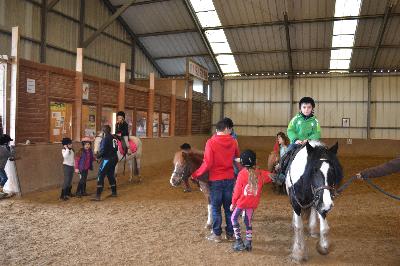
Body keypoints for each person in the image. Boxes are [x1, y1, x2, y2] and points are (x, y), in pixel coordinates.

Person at [192, 119, 240, 242]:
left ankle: (217, 234)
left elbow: (207, 163)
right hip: (229, 178)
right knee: (229, 207)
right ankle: (230, 234)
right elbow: (237, 159)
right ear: (226, 129)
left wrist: (196, 173)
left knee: (216, 208)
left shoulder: (211, 142)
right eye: (231, 129)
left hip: (216, 181)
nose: (231, 131)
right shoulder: (234, 142)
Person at [230, 150, 272, 252]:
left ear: (243, 163)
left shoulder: (241, 174)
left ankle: (239, 241)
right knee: (248, 221)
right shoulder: (261, 173)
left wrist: (233, 203)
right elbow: (271, 176)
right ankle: (248, 243)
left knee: (233, 218)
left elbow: (237, 192)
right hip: (252, 203)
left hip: (241, 203)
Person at [93, 125, 118, 201]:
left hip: (107, 159)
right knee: (110, 175)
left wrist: (98, 156)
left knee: (100, 175)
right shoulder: (114, 138)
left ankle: (98, 195)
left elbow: (103, 150)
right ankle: (114, 192)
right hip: (114, 158)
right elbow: (116, 148)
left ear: (103, 131)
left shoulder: (105, 139)